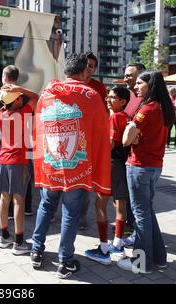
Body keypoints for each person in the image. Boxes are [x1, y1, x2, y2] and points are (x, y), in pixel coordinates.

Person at [30, 53, 111, 279]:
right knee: (70, 214)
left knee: (46, 207)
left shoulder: (46, 94)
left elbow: (38, 129)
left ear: (65, 70)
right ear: (85, 70)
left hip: (51, 165)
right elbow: (103, 131)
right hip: (78, 168)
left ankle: (36, 250)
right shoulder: (91, 96)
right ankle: (65, 262)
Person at [118, 71, 175, 274]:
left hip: (139, 166)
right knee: (147, 212)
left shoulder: (148, 109)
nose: (136, 87)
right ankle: (159, 258)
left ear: (150, 86)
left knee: (141, 215)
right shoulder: (164, 108)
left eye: (140, 83)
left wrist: (131, 126)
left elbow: (126, 139)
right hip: (154, 166)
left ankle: (141, 263)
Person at [0, 65, 39, 255]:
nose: (21, 98)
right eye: (19, 98)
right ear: (16, 101)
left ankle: (4, 236)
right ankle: (19, 242)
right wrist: (19, 89)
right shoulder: (23, 112)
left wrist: (12, 92)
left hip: (3, 159)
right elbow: (36, 97)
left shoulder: (0, 113)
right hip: (18, 161)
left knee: (4, 198)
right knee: (19, 200)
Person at [84, 86, 131, 265]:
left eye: (112, 97)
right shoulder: (126, 117)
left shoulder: (114, 117)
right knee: (120, 203)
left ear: (123, 101)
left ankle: (103, 248)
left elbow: (109, 145)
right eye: (108, 97)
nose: (108, 100)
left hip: (110, 164)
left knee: (99, 203)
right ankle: (118, 243)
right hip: (122, 164)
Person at [79, 51, 109, 231]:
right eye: (86, 65)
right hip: (72, 138)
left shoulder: (99, 87)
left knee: (85, 182)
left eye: (92, 66)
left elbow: (104, 113)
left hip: (90, 141)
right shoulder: (71, 85)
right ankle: (51, 211)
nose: (88, 68)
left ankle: (81, 217)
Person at [119, 62, 146, 242]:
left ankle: (140, 239)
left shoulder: (147, 102)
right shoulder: (127, 95)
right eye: (126, 75)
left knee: (139, 200)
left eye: (131, 75)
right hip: (126, 152)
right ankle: (131, 228)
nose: (127, 78)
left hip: (139, 157)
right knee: (127, 194)